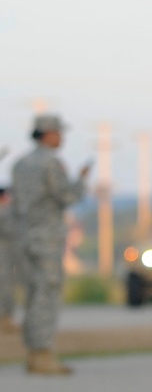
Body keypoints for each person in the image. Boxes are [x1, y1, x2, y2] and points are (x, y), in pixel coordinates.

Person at [10, 114, 90, 375]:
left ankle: (33, 354)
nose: (61, 138)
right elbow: (66, 196)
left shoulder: (20, 163)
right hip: (47, 237)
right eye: (58, 133)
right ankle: (43, 353)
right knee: (47, 294)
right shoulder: (50, 162)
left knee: (33, 294)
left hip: (24, 235)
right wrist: (81, 181)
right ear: (48, 133)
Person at [0, 186, 20, 333]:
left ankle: (6, 318)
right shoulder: (4, 212)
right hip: (3, 257)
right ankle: (5, 318)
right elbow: (11, 231)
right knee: (5, 287)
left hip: (7, 256)